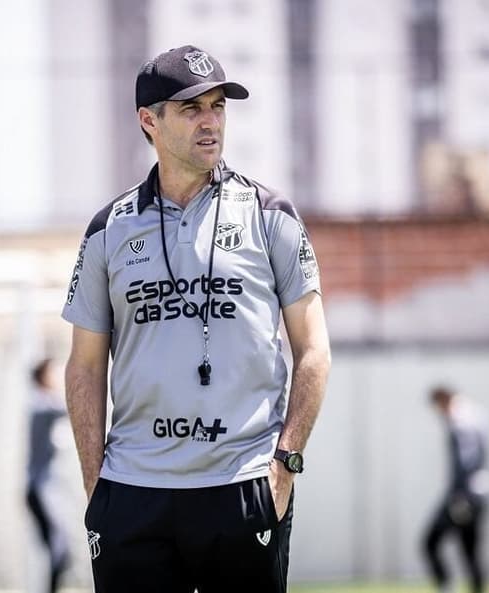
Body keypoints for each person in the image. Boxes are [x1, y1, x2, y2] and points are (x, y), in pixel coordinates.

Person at [61, 44, 332, 592]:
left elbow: (314, 351)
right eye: (191, 109)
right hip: (133, 491)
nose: (211, 122)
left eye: (218, 107)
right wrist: (96, 484)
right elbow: (84, 367)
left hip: (244, 483)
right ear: (149, 121)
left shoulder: (269, 214)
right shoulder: (107, 230)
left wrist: (285, 466)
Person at [423, 385, 489, 593]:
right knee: (470, 551)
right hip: (480, 492)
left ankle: (445, 588)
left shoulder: (461, 421)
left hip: (465, 495)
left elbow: (467, 461)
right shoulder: (476, 414)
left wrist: (459, 495)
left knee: (430, 542)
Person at [25, 357, 72, 593]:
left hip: (47, 488)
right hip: (39, 489)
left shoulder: (43, 404)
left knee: (62, 552)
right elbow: (73, 405)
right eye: (52, 374)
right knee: (59, 550)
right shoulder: (41, 404)